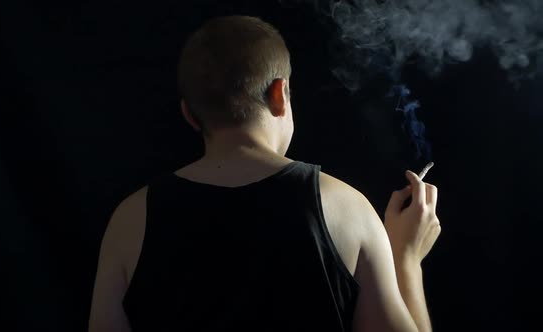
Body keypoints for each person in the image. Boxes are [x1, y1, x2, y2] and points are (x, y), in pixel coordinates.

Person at [88, 15, 441, 332]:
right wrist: (406, 261)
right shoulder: (346, 208)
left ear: (190, 115)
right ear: (280, 93)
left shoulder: (130, 221)